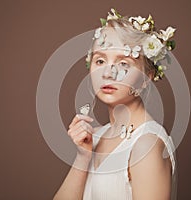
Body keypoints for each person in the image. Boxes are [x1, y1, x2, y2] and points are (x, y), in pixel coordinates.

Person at [54, 8, 178, 200]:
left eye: (124, 64)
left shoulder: (146, 145)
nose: (108, 73)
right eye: (100, 60)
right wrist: (83, 157)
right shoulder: (96, 136)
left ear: (147, 77)